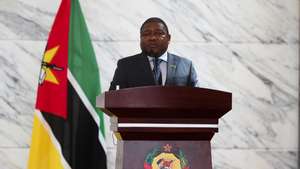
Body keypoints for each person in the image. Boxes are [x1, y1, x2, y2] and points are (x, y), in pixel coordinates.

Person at [109, 17, 198, 90]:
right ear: (140, 38)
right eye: (146, 34)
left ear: (169, 38)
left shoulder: (186, 66)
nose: (152, 38)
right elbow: (113, 99)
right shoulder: (126, 66)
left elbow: (197, 100)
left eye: (159, 33)